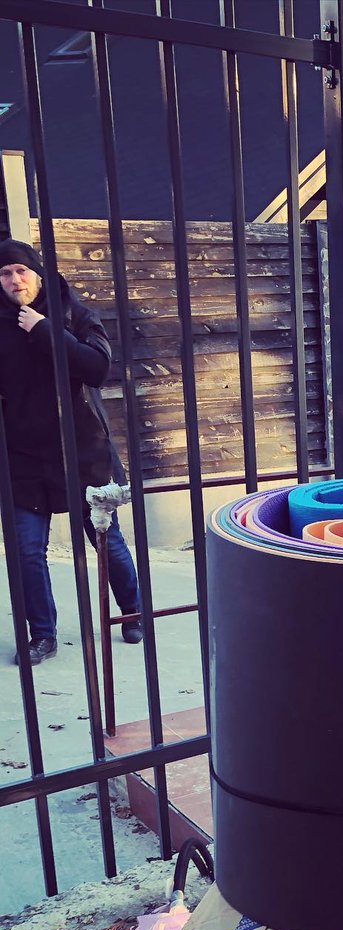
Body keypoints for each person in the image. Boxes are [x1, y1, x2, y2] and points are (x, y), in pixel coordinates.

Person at [0, 238, 143, 666]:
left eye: (21, 271)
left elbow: (97, 369)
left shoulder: (74, 314)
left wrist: (44, 329)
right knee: (26, 551)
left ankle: (132, 611)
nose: (14, 280)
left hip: (82, 452)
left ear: (38, 274)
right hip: (23, 457)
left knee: (106, 541)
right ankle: (42, 635)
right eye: (5, 273)